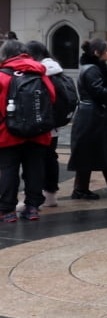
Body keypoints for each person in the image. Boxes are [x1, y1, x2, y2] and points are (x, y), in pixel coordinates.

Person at [0, 40, 55, 222]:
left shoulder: (3, 75)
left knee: (8, 170)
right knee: (34, 169)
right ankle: (32, 208)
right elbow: (52, 97)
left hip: (8, 132)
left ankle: (7, 210)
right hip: (38, 132)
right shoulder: (40, 73)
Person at [69, 39, 107, 199]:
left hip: (94, 116)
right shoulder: (92, 70)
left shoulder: (94, 68)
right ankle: (83, 189)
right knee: (94, 151)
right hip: (92, 117)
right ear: (96, 52)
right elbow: (100, 93)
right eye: (106, 49)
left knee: (100, 151)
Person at [22, 40, 68, 207]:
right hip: (53, 124)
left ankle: (37, 199)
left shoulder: (39, 72)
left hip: (41, 124)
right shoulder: (56, 69)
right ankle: (50, 195)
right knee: (50, 157)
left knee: (37, 161)